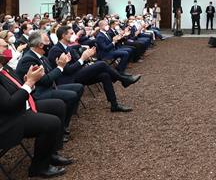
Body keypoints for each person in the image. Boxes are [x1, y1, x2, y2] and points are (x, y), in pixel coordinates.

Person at [0, 41, 71, 178]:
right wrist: (29, 83)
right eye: (4, 46)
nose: (9, 48)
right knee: (52, 123)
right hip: (8, 120)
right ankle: (38, 167)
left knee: (58, 105)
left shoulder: (5, 68)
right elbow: (9, 105)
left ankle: (50, 154)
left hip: (21, 107)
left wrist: (28, 83)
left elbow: (17, 90)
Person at [48, 26, 140, 112]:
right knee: (102, 64)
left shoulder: (68, 48)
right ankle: (124, 79)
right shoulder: (56, 50)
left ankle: (114, 105)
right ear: (64, 36)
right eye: (71, 33)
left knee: (105, 75)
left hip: (77, 73)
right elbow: (67, 70)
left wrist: (86, 58)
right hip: (68, 79)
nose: (74, 35)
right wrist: (82, 59)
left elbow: (78, 63)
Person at [16, 31, 84, 135]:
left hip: (49, 87)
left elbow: (50, 73)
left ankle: (64, 122)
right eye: (48, 42)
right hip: (38, 93)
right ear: (40, 45)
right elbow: (45, 80)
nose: (50, 45)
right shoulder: (28, 59)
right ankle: (61, 127)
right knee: (72, 96)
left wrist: (62, 64)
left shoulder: (40, 55)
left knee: (78, 88)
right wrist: (60, 67)